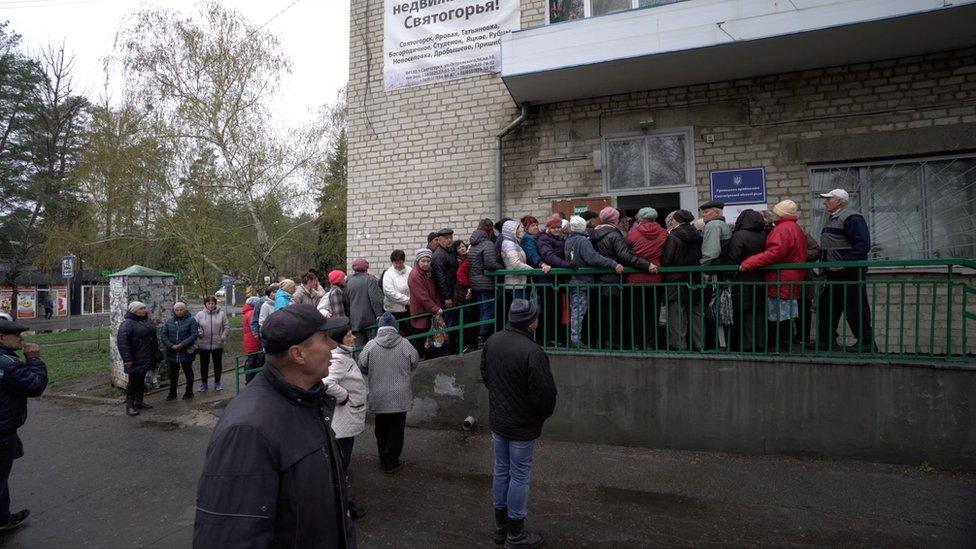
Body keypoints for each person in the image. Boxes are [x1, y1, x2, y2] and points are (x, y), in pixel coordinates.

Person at [192, 305, 354, 547]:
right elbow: (229, 535)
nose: (333, 345)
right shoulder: (248, 429)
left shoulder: (307, 400)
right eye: (324, 338)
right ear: (298, 354)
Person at [480, 299, 556, 548]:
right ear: (529, 322)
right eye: (535, 316)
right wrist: (538, 416)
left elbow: (486, 375)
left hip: (499, 421)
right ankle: (516, 533)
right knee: (519, 474)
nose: (537, 319)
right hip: (521, 425)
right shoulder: (532, 351)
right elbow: (544, 395)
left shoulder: (492, 341)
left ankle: (501, 529)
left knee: (502, 469)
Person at [741, 200, 809, 352]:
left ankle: (781, 347)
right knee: (786, 315)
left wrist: (748, 263)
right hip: (792, 277)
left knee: (779, 316)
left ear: (780, 214)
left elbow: (773, 253)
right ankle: (784, 344)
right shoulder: (795, 227)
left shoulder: (782, 229)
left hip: (781, 279)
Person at [0, 317, 47, 532]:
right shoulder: (9, 365)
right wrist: (34, 359)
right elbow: (35, 386)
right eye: (16, 335)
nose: (20, 338)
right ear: (1, 338)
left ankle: (3, 517)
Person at [814, 188, 875, 353]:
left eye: (829, 199)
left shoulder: (852, 218)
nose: (825, 202)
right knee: (828, 307)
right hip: (832, 273)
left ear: (840, 201)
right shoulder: (832, 218)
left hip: (849, 272)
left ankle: (866, 342)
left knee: (855, 307)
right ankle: (826, 340)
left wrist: (844, 263)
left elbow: (862, 245)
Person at [358, 312, 420, 474]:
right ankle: (391, 462)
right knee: (397, 431)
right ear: (394, 327)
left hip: (379, 395)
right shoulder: (405, 344)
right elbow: (415, 361)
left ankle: (383, 457)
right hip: (400, 396)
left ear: (380, 328)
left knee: (381, 429)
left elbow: (362, 365)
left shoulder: (370, 345)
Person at [322, 316, 368, 520]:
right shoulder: (339, 359)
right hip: (343, 423)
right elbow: (327, 383)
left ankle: (340, 504)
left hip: (347, 420)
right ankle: (342, 508)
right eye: (349, 334)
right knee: (340, 467)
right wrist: (344, 396)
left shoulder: (344, 355)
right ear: (339, 339)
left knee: (340, 466)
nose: (354, 337)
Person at [590, 207, 655, 349]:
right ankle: (612, 343)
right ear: (615, 219)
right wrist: (646, 264)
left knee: (600, 312)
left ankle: (600, 342)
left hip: (598, 279)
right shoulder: (615, 235)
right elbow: (624, 256)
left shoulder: (593, 234)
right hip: (613, 279)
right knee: (613, 313)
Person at [564, 216, 623, 348]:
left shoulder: (569, 239)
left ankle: (576, 338)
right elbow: (592, 257)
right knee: (579, 311)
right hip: (582, 281)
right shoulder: (582, 241)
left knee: (577, 310)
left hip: (574, 280)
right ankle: (575, 339)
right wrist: (612, 263)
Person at [724, 209, 768, 352]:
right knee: (759, 312)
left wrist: (730, 274)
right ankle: (761, 344)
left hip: (743, 279)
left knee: (744, 313)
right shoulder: (764, 235)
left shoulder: (739, 236)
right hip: (761, 279)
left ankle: (746, 345)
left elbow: (732, 260)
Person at [626, 207, 668, 350]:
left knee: (636, 312)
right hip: (655, 277)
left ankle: (636, 343)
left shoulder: (632, 233)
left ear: (640, 218)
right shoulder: (663, 233)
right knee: (652, 312)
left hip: (635, 278)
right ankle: (651, 343)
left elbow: (627, 253)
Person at [661, 210, 703, 350]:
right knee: (696, 313)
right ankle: (699, 344)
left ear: (675, 221)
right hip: (694, 278)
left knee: (677, 314)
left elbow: (667, 259)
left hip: (676, 279)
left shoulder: (673, 237)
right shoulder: (696, 234)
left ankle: (679, 345)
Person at [116, 301, 162, 416]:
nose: (144, 310)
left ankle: (139, 402)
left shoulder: (147, 321)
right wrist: (127, 359)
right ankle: (129, 406)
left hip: (147, 356)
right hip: (135, 358)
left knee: (141, 381)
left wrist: (156, 353)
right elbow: (123, 343)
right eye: (141, 308)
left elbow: (153, 338)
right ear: (134, 311)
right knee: (133, 382)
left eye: (144, 308)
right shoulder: (127, 324)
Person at [536, 215, 571, 346]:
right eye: (553, 227)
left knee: (558, 309)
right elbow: (549, 256)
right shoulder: (543, 239)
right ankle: (548, 338)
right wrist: (565, 264)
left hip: (558, 280)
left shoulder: (561, 238)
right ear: (548, 228)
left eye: (558, 227)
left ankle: (558, 337)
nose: (556, 229)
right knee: (549, 310)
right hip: (547, 280)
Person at [468, 228, 504, 346]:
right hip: (486, 283)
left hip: (476, 283)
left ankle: (480, 336)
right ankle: (482, 336)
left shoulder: (473, 245)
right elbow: (490, 264)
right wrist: (503, 268)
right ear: (488, 233)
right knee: (488, 311)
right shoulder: (487, 244)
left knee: (483, 310)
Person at [500, 220, 546, 307]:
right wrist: (531, 270)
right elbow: (515, 263)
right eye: (517, 229)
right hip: (515, 284)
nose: (519, 231)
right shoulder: (509, 244)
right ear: (511, 231)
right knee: (521, 311)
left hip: (519, 283)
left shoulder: (514, 243)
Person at [407, 248, 443, 358]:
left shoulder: (428, 273)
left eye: (428, 261)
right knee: (421, 339)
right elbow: (422, 296)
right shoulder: (415, 275)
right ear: (418, 261)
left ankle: (429, 357)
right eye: (423, 261)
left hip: (429, 312)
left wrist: (436, 306)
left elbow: (434, 291)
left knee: (430, 340)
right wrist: (435, 308)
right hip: (420, 312)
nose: (426, 264)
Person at [161, 302, 199, 401]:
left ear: (185, 309)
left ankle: (189, 391)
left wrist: (182, 344)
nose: (179, 311)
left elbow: (194, 335)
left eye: (181, 309)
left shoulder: (191, 320)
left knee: (188, 371)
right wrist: (170, 345)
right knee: (173, 373)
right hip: (172, 352)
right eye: (177, 310)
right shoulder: (169, 321)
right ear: (174, 310)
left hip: (186, 351)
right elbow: (164, 335)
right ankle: (172, 393)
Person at [195, 295, 229, 392]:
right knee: (204, 364)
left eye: (212, 303)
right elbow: (195, 326)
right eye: (208, 303)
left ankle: (217, 383)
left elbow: (226, 326)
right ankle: (204, 383)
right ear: (205, 304)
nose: (210, 305)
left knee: (217, 364)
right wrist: (199, 332)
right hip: (203, 343)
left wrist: (223, 336)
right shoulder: (200, 314)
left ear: (215, 304)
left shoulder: (221, 314)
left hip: (217, 343)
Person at [347, 258, 385, 346]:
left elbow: (347, 301)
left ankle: (359, 360)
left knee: (358, 348)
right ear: (366, 268)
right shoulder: (370, 280)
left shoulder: (348, 281)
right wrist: (379, 314)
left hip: (355, 321)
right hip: (370, 321)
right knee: (374, 346)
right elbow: (375, 299)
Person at [432, 228, 459, 334]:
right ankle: (448, 348)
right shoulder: (439, 255)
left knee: (453, 320)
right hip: (445, 296)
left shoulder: (450, 251)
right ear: (439, 240)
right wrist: (447, 297)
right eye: (446, 238)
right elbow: (440, 277)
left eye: (451, 238)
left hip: (453, 291)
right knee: (448, 322)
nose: (449, 240)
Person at [382, 249, 412, 325]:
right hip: (393, 311)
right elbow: (389, 292)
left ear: (404, 261)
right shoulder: (388, 274)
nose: (398, 265)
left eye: (400, 263)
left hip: (408, 310)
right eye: (396, 263)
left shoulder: (410, 270)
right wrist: (407, 300)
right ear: (392, 262)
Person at [242, 296, 264, 384]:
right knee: (253, 362)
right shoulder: (251, 313)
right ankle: (250, 381)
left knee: (251, 361)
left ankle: (249, 380)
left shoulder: (247, 312)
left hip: (249, 341)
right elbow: (254, 327)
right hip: (253, 341)